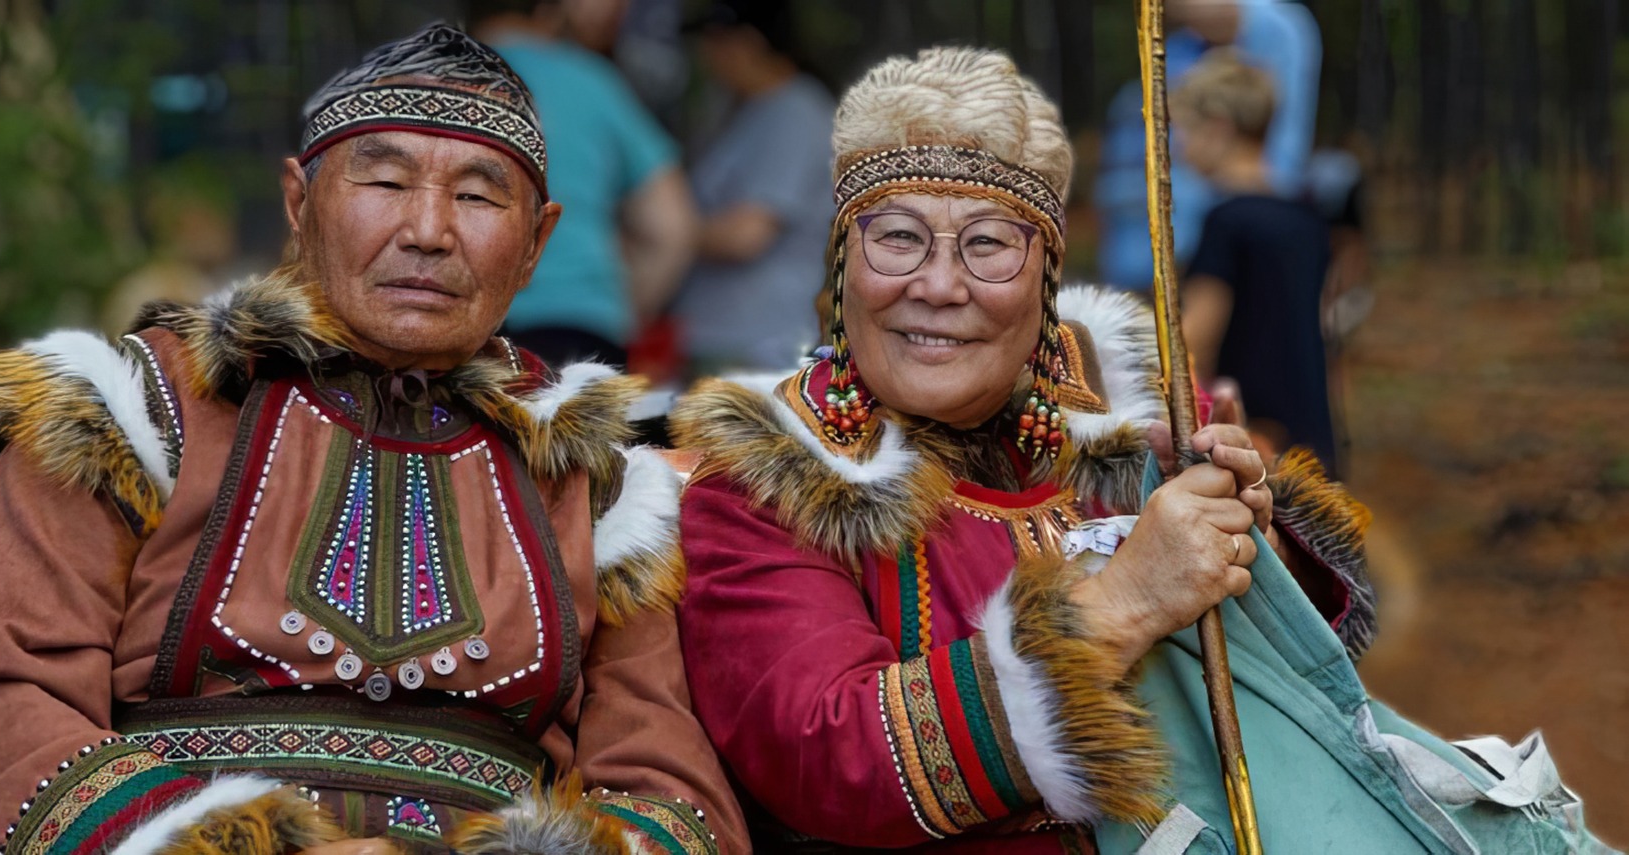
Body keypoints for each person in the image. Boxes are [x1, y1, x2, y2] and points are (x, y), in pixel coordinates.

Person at [0, 23, 746, 855]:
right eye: (385, 183)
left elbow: (670, 795)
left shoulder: (594, 483)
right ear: (300, 203)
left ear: (535, 244)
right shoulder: (135, 409)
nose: (429, 231)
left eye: (480, 196)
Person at [667, 46, 1374, 851]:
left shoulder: (1141, 418)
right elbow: (827, 755)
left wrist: (1258, 545)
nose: (937, 284)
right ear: (843, 262)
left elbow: (1313, 670)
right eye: (897, 237)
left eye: (989, 243)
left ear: (1046, 277)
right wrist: (1118, 606)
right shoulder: (771, 476)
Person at [470, 0, 698, 368]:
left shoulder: (426, 80)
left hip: (451, 325)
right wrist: (621, 313)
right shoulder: (590, 81)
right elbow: (671, 228)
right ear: (550, 9)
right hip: (576, 326)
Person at [1175, 51, 1339, 470]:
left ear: (1218, 128)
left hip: (1252, 439)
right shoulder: (1307, 216)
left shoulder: (1226, 221)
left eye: (1186, 130)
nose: (1180, 145)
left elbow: (1194, 343)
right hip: (1309, 432)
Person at [1094, 0, 1320, 291]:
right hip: (1180, 238)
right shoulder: (1178, 50)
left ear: (1218, 129)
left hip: (1232, 224)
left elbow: (1284, 151)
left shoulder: (1282, 31)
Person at [670, 0, 836, 374]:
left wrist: (661, 232)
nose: (706, 55)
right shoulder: (738, 107)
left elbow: (747, 234)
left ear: (749, 42)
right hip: (718, 333)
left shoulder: (795, 112)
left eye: (714, 41)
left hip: (760, 342)